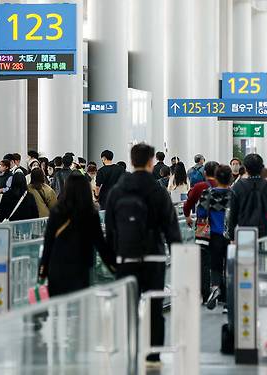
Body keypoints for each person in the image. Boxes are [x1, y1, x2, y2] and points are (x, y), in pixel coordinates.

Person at [104, 143, 181, 367]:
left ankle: (128, 348)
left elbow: (110, 228)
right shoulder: (157, 190)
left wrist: (113, 259)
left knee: (127, 306)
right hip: (153, 257)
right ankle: (153, 355)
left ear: (131, 160)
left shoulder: (119, 190)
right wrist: (177, 253)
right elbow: (171, 227)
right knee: (154, 306)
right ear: (150, 162)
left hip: (125, 258)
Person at [38, 172, 116, 296]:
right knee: (79, 308)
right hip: (81, 267)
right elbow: (101, 244)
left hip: (57, 266)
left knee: (58, 309)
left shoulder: (57, 212)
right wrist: (113, 267)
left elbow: (48, 243)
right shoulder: (91, 214)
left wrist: (42, 270)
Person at [183, 161, 225, 305]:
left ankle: (205, 294)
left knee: (204, 263)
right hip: (222, 231)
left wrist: (188, 216)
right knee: (222, 262)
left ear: (205, 173)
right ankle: (222, 293)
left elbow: (188, 204)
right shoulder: (226, 188)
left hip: (204, 230)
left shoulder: (200, 187)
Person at [226, 154, 267, 240]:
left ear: (245, 168)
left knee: (247, 253)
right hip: (266, 232)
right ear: (261, 168)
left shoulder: (237, 187)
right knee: (266, 253)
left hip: (244, 232)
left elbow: (233, 215)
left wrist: (232, 236)